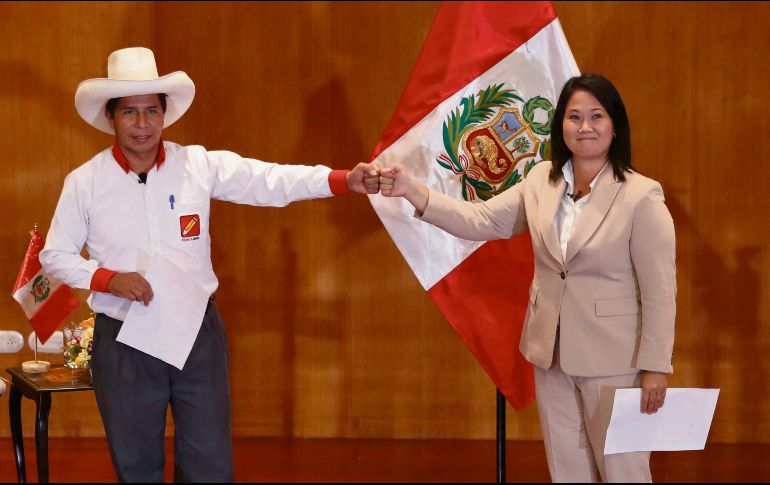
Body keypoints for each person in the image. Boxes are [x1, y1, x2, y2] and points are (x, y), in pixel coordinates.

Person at [40, 47, 380, 482]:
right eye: (130, 113)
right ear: (111, 118)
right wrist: (107, 278)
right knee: (136, 467)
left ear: (165, 115)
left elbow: (268, 180)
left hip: (197, 333)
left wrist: (341, 180)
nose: (142, 124)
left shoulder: (197, 165)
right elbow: (55, 255)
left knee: (210, 467)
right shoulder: (84, 182)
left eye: (151, 111)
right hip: (124, 340)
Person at [379, 73, 675, 483]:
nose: (585, 127)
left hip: (615, 361)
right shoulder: (540, 180)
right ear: (560, 126)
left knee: (624, 471)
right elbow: (480, 219)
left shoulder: (642, 195)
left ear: (615, 125)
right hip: (550, 354)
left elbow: (660, 292)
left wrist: (656, 367)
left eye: (596, 116)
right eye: (574, 117)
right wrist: (414, 191)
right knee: (568, 472)